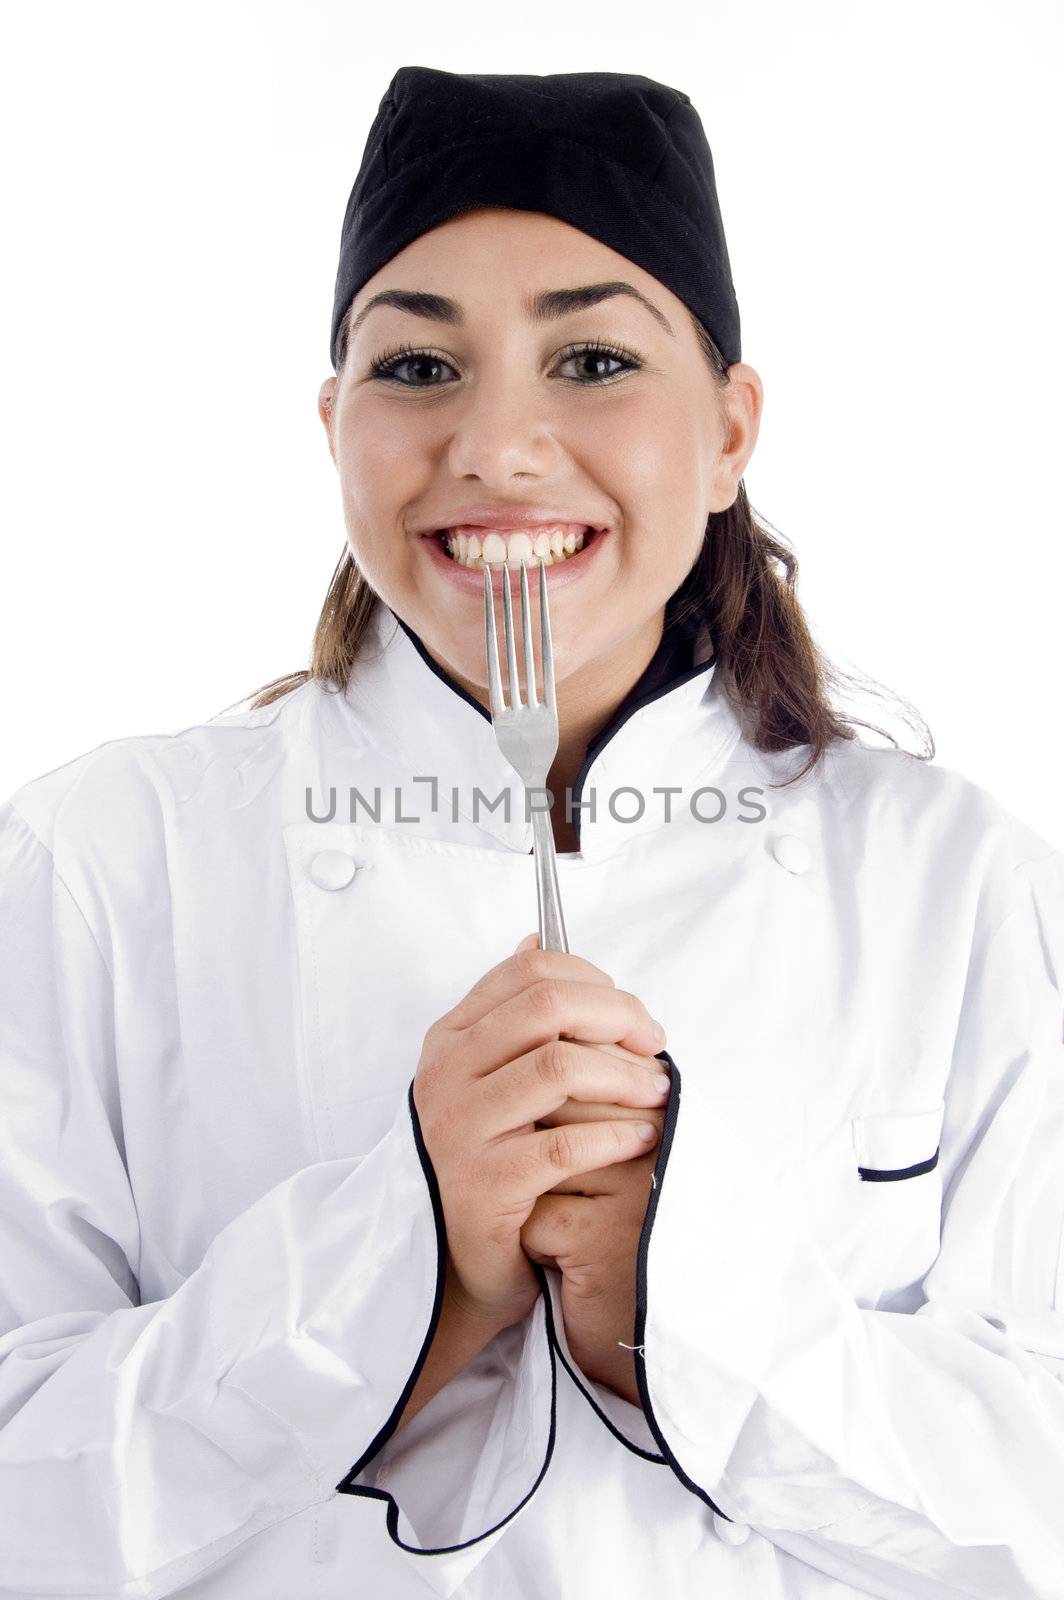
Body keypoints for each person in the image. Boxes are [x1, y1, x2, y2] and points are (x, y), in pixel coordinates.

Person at [1, 65, 1062, 1600]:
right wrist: (404, 1268)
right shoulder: (93, 867)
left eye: (592, 356)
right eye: (419, 369)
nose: (499, 445)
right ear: (334, 427)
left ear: (728, 430)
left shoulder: (962, 891)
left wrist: (670, 1308)